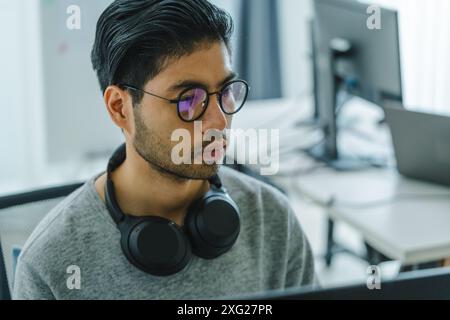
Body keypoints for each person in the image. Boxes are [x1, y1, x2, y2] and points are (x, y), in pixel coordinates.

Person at [13, 0, 315, 299]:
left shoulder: (271, 219)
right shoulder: (50, 263)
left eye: (225, 91)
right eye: (188, 99)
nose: (218, 121)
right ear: (120, 108)